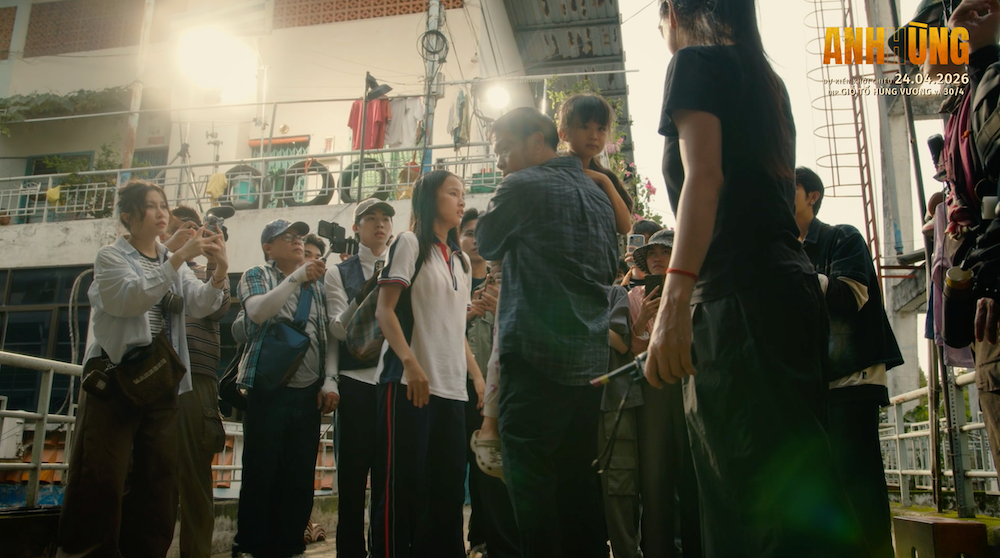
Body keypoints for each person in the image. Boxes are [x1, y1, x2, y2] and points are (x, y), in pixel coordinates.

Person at [645, 2, 866, 556]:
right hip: (786, 289)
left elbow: (704, 177)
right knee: (795, 486)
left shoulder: (694, 62)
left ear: (673, 11)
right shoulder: (767, 80)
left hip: (736, 299)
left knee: (744, 499)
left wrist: (674, 299)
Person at [57, 180, 228, 558]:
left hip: (161, 381)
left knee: (157, 483)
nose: (161, 213)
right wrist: (178, 258)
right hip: (115, 380)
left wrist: (218, 270)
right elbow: (130, 299)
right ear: (128, 216)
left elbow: (200, 304)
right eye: (151, 206)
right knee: (102, 480)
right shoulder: (111, 257)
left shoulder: (171, 259)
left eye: (163, 205)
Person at [477, 107, 618, 557]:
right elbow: (609, 268)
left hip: (535, 356)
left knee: (531, 484)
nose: (500, 161)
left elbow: (486, 243)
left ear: (538, 140)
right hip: (589, 362)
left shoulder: (520, 185)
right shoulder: (598, 195)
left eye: (504, 149)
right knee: (578, 483)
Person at [370, 170, 485, 558]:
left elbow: (455, 329)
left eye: (462, 193)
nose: (461, 200)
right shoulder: (409, 243)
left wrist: (477, 377)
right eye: (453, 192)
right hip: (409, 385)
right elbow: (384, 310)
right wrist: (411, 364)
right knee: (402, 488)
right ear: (430, 198)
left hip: (451, 390)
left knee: (447, 493)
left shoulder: (461, 261)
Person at [795, 167, 903, 558]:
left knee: (860, 487)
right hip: (813, 386)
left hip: (853, 379)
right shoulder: (787, 251)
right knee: (826, 492)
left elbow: (853, 294)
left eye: (789, 188)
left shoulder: (841, 237)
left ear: (813, 196)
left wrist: (792, 277)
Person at [232, 219, 336, 558]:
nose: (296, 241)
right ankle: (251, 546)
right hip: (268, 389)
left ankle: (290, 546)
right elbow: (258, 312)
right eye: (288, 237)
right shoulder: (257, 274)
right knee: (260, 471)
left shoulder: (317, 285)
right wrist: (296, 278)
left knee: (299, 475)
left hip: (308, 393)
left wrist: (329, 380)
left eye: (299, 237)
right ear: (268, 247)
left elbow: (328, 334)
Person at [324, 197, 395, 558]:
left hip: (392, 383)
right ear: (356, 228)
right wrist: (365, 292)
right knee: (351, 478)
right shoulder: (339, 272)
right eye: (371, 218)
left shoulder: (403, 266)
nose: (380, 224)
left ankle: (383, 548)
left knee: (387, 477)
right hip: (355, 383)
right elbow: (337, 329)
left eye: (386, 218)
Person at [163, 206, 232, 558]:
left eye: (194, 230)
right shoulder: (157, 265)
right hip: (155, 374)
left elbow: (216, 307)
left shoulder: (205, 273)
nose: (187, 235)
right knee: (151, 476)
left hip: (197, 380)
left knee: (194, 479)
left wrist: (217, 264)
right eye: (179, 228)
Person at [628, 229, 701, 558]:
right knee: (654, 478)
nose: (657, 258)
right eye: (652, 253)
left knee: (692, 474)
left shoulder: (694, 292)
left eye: (665, 252)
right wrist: (643, 322)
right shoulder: (633, 297)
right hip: (651, 390)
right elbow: (632, 353)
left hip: (689, 386)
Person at [459, 208, 518, 558]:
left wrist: (502, 306)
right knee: (455, 466)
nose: (475, 240)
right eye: (468, 232)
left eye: (481, 233)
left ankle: (484, 538)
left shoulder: (507, 281)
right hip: (457, 388)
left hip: (496, 391)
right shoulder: (451, 281)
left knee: (490, 469)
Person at [557, 93, 634, 235]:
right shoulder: (554, 172)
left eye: (601, 129)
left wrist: (604, 181)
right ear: (563, 134)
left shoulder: (607, 178)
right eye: (584, 127)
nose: (593, 136)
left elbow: (624, 227)